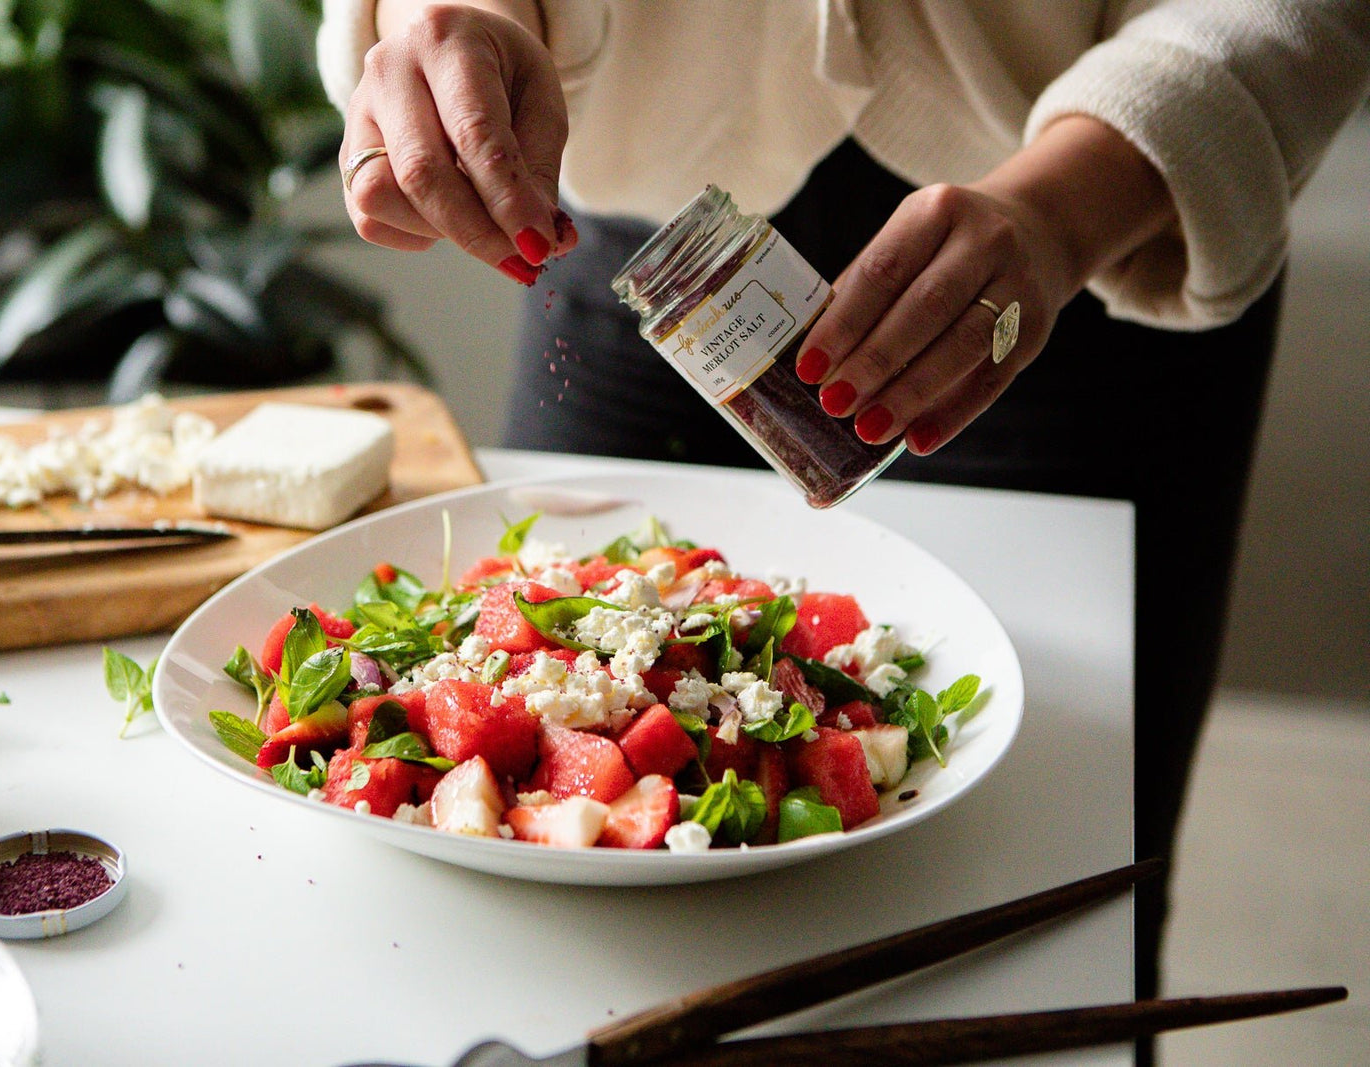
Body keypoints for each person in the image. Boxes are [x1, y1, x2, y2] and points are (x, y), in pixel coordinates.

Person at [318, 0, 1370, 1043]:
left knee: (1050, 946)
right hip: (641, 239)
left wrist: (1063, 212)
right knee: (537, 956)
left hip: (1090, 229)